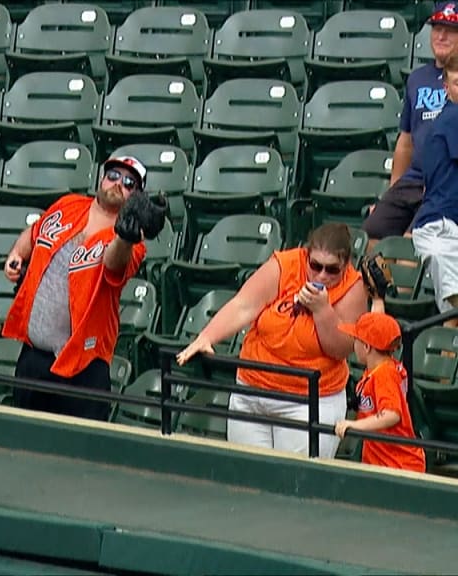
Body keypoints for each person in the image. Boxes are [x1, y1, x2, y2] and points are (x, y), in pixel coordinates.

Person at [176, 223, 367, 458]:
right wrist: (207, 336)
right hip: (252, 389)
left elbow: (339, 349)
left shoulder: (354, 288)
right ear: (306, 256)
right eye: (315, 266)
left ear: (346, 265)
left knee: (294, 482)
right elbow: (243, 305)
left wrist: (322, 310)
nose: (321, 275)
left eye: (332, 270)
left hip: (308, 402)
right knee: (248, 475)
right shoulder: (284, 265)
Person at [0, 153, 166, 421]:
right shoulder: (68, 205)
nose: (117, 184)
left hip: (83, 369)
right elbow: (34, 232)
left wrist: (125, 237)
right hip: (33, 358)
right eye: (113, 175)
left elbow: (114, 265)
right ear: (101, 178)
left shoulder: (133, 243)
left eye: (128, 183)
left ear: (137, 196)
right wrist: (17, 254)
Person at [362, 2, 458, 249]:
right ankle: (383, 288)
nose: (441, 35)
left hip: (444, 184)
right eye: (437, 28)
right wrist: (392, 194)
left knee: (409, 245)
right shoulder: (417, 78)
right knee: (371, 234)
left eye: (450, 29)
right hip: (413, 180)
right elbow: (405, 143)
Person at [334, 312, 426, 473]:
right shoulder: (376, 370)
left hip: (399, 464)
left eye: (356, 339)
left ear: (367, 347)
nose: (354, 344)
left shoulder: (385, 374)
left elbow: (391, 414)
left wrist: (355, 425)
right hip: (381, 460)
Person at [411, 50, 458, 326]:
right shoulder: (452, 118)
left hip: (443, 226)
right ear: (446, 87)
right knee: (453, 319)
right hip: (441, 230)